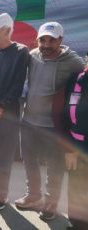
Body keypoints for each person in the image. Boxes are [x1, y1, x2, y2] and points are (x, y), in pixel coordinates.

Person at [15, 22, 85, 220]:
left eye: (51, 40)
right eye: (42, 39)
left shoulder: (74, 62)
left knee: (55, 167)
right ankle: (33, 196)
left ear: (61, 40)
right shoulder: (33, 55)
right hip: (28, 120)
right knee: (30, 161)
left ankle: (51, 203)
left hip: (54, 127)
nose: (45, 44)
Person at [0, 13, 30, 211]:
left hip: (8, 115)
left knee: (5, 154)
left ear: (8, 30)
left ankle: (2, 194)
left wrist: (0, 108)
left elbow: (18, 85)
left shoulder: (21, 51)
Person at [63, 66, 88, 230]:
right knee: (77, 188)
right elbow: (67, 115)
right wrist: (70, 148)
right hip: (77, 145)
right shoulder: (75, 79)